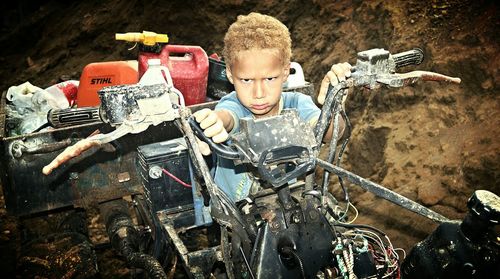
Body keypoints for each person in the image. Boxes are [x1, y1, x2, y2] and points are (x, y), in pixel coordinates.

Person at [193, 12, 352, 202]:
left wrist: (333, 106)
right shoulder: (233, 104)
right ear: (229, 75)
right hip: (233, 217)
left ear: (285, 72)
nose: (259, 93)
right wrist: (212, 122)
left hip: (284, 208)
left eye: (269, 78)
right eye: (246, 80)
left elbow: (329, 132)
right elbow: (226, 118)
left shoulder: (297, 104)